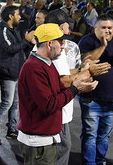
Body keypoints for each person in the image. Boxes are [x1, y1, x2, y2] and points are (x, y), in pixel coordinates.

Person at [17, 23, 98, 165]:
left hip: (45, 138)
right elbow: (49, 104)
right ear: (49, 44)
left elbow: (60, 89)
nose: (63, 46)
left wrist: (79, 85)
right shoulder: (34, 68)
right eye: (61, 42)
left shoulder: (47, 63)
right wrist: (75, 89)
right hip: (38, 142)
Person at [45, 9, 111, 165]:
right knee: (60, 148)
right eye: (66, 25)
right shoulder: (51, 49)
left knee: (62, 147)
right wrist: (88, 71)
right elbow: (62, 80)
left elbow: (70, 71)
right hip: (54, 109)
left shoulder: (65, 46)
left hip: (63, 108)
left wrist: (83, 69)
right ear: (60, 27)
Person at [78, 14, 113, 165]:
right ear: (96, 27)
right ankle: (89, 163)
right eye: (103, 28)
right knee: (90, 135)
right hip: (91, 98)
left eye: (110, 28)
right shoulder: (87, 40)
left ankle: (100, 161)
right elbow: (85, 60)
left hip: (110, 99)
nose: (107, 31)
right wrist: (102, 46)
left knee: (104, 135)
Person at [0, 5, 35, 143]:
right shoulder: (2, 30)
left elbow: (18, 49)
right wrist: (26, 41)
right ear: (10, 16)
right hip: (6, 72)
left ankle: (12, 129)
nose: (20, 17)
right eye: (17, 15)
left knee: (15, 103)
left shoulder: (11, 29)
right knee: (7, 102)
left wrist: (28, 43)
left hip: (14, 70)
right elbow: (10, 49)